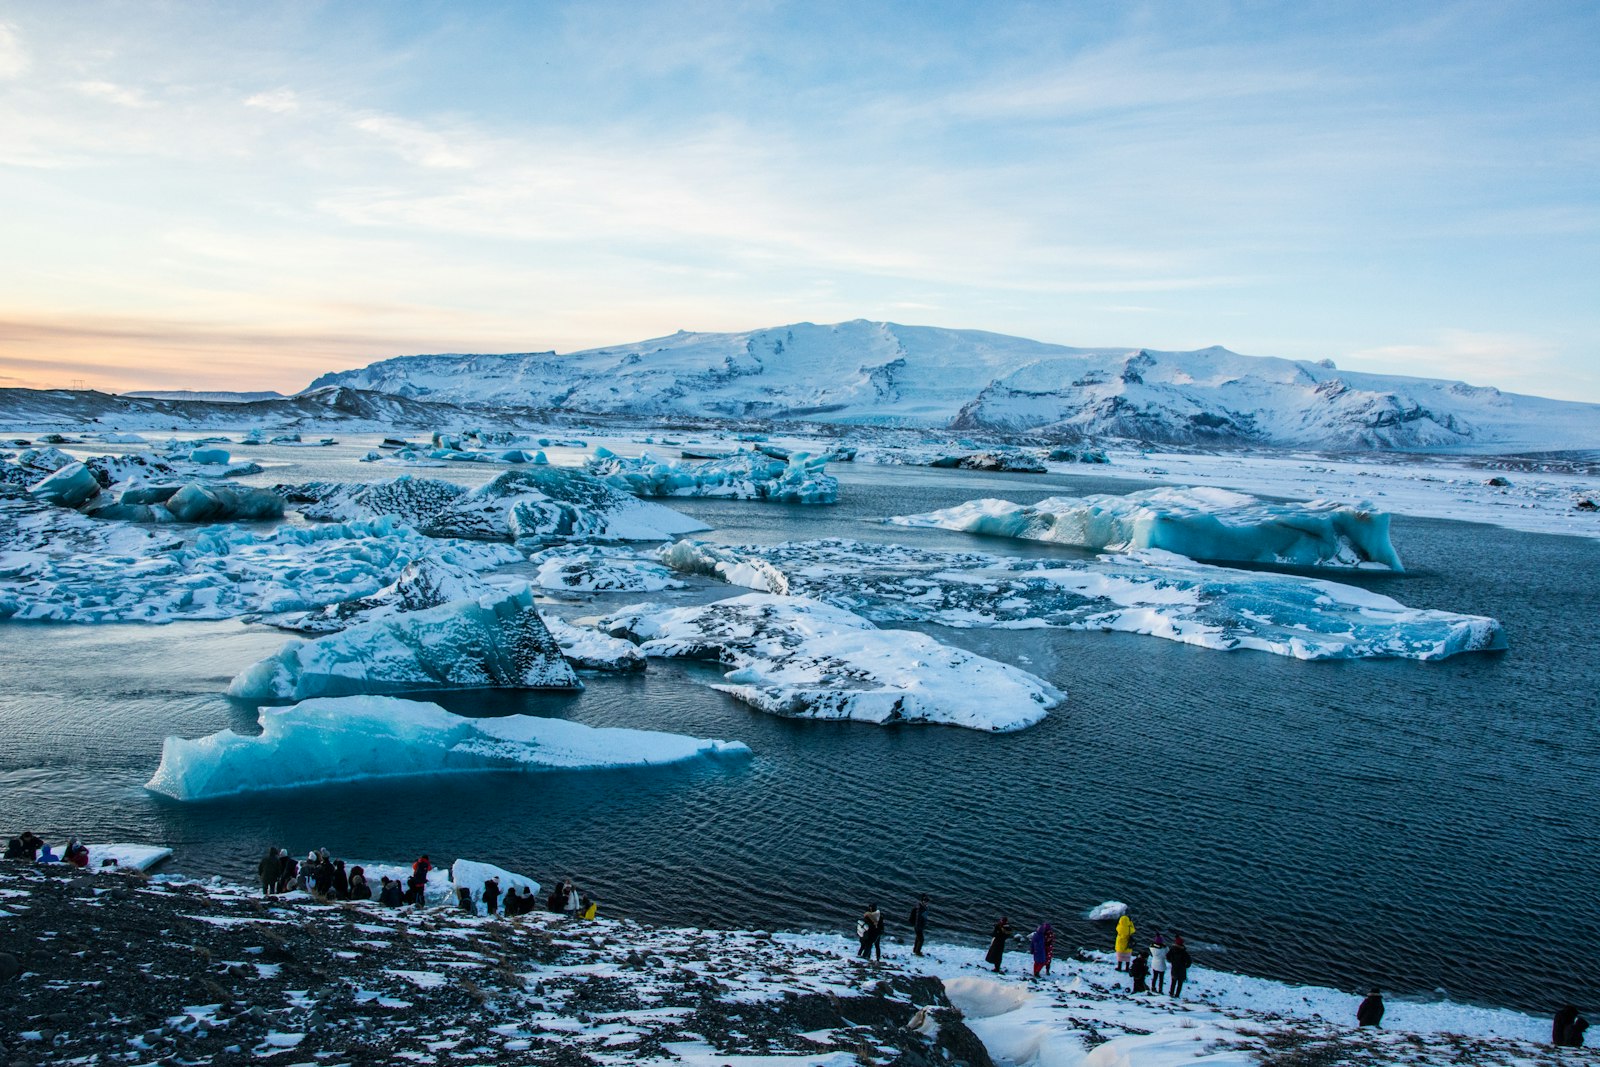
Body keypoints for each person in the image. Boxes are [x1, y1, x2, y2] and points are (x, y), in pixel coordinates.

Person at [1167, 934, 1191, 999]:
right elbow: (1189, 961)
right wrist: (1186, 966)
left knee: (1173, 982)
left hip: (1174, 968)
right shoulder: (1184, 952)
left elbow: (1167, 957)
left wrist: (1172, 961)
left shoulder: (1172, 950)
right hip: (1181, 970)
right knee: (1180, 984)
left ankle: (1171, 993)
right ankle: (1177, 995)